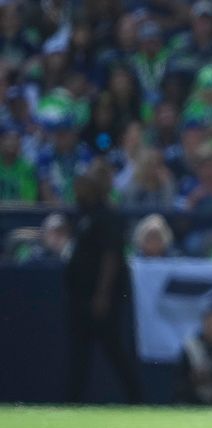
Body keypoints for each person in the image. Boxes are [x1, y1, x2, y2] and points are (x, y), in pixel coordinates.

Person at [65, 158, 142, 403]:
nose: (80, 188)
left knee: (113, 349)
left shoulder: (107, 214)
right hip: (81, 293)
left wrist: (102, 294)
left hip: (99, 294)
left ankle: (136, 397)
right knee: (80, 351)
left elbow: (111, 258)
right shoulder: (84, 213)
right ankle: (74, 399)